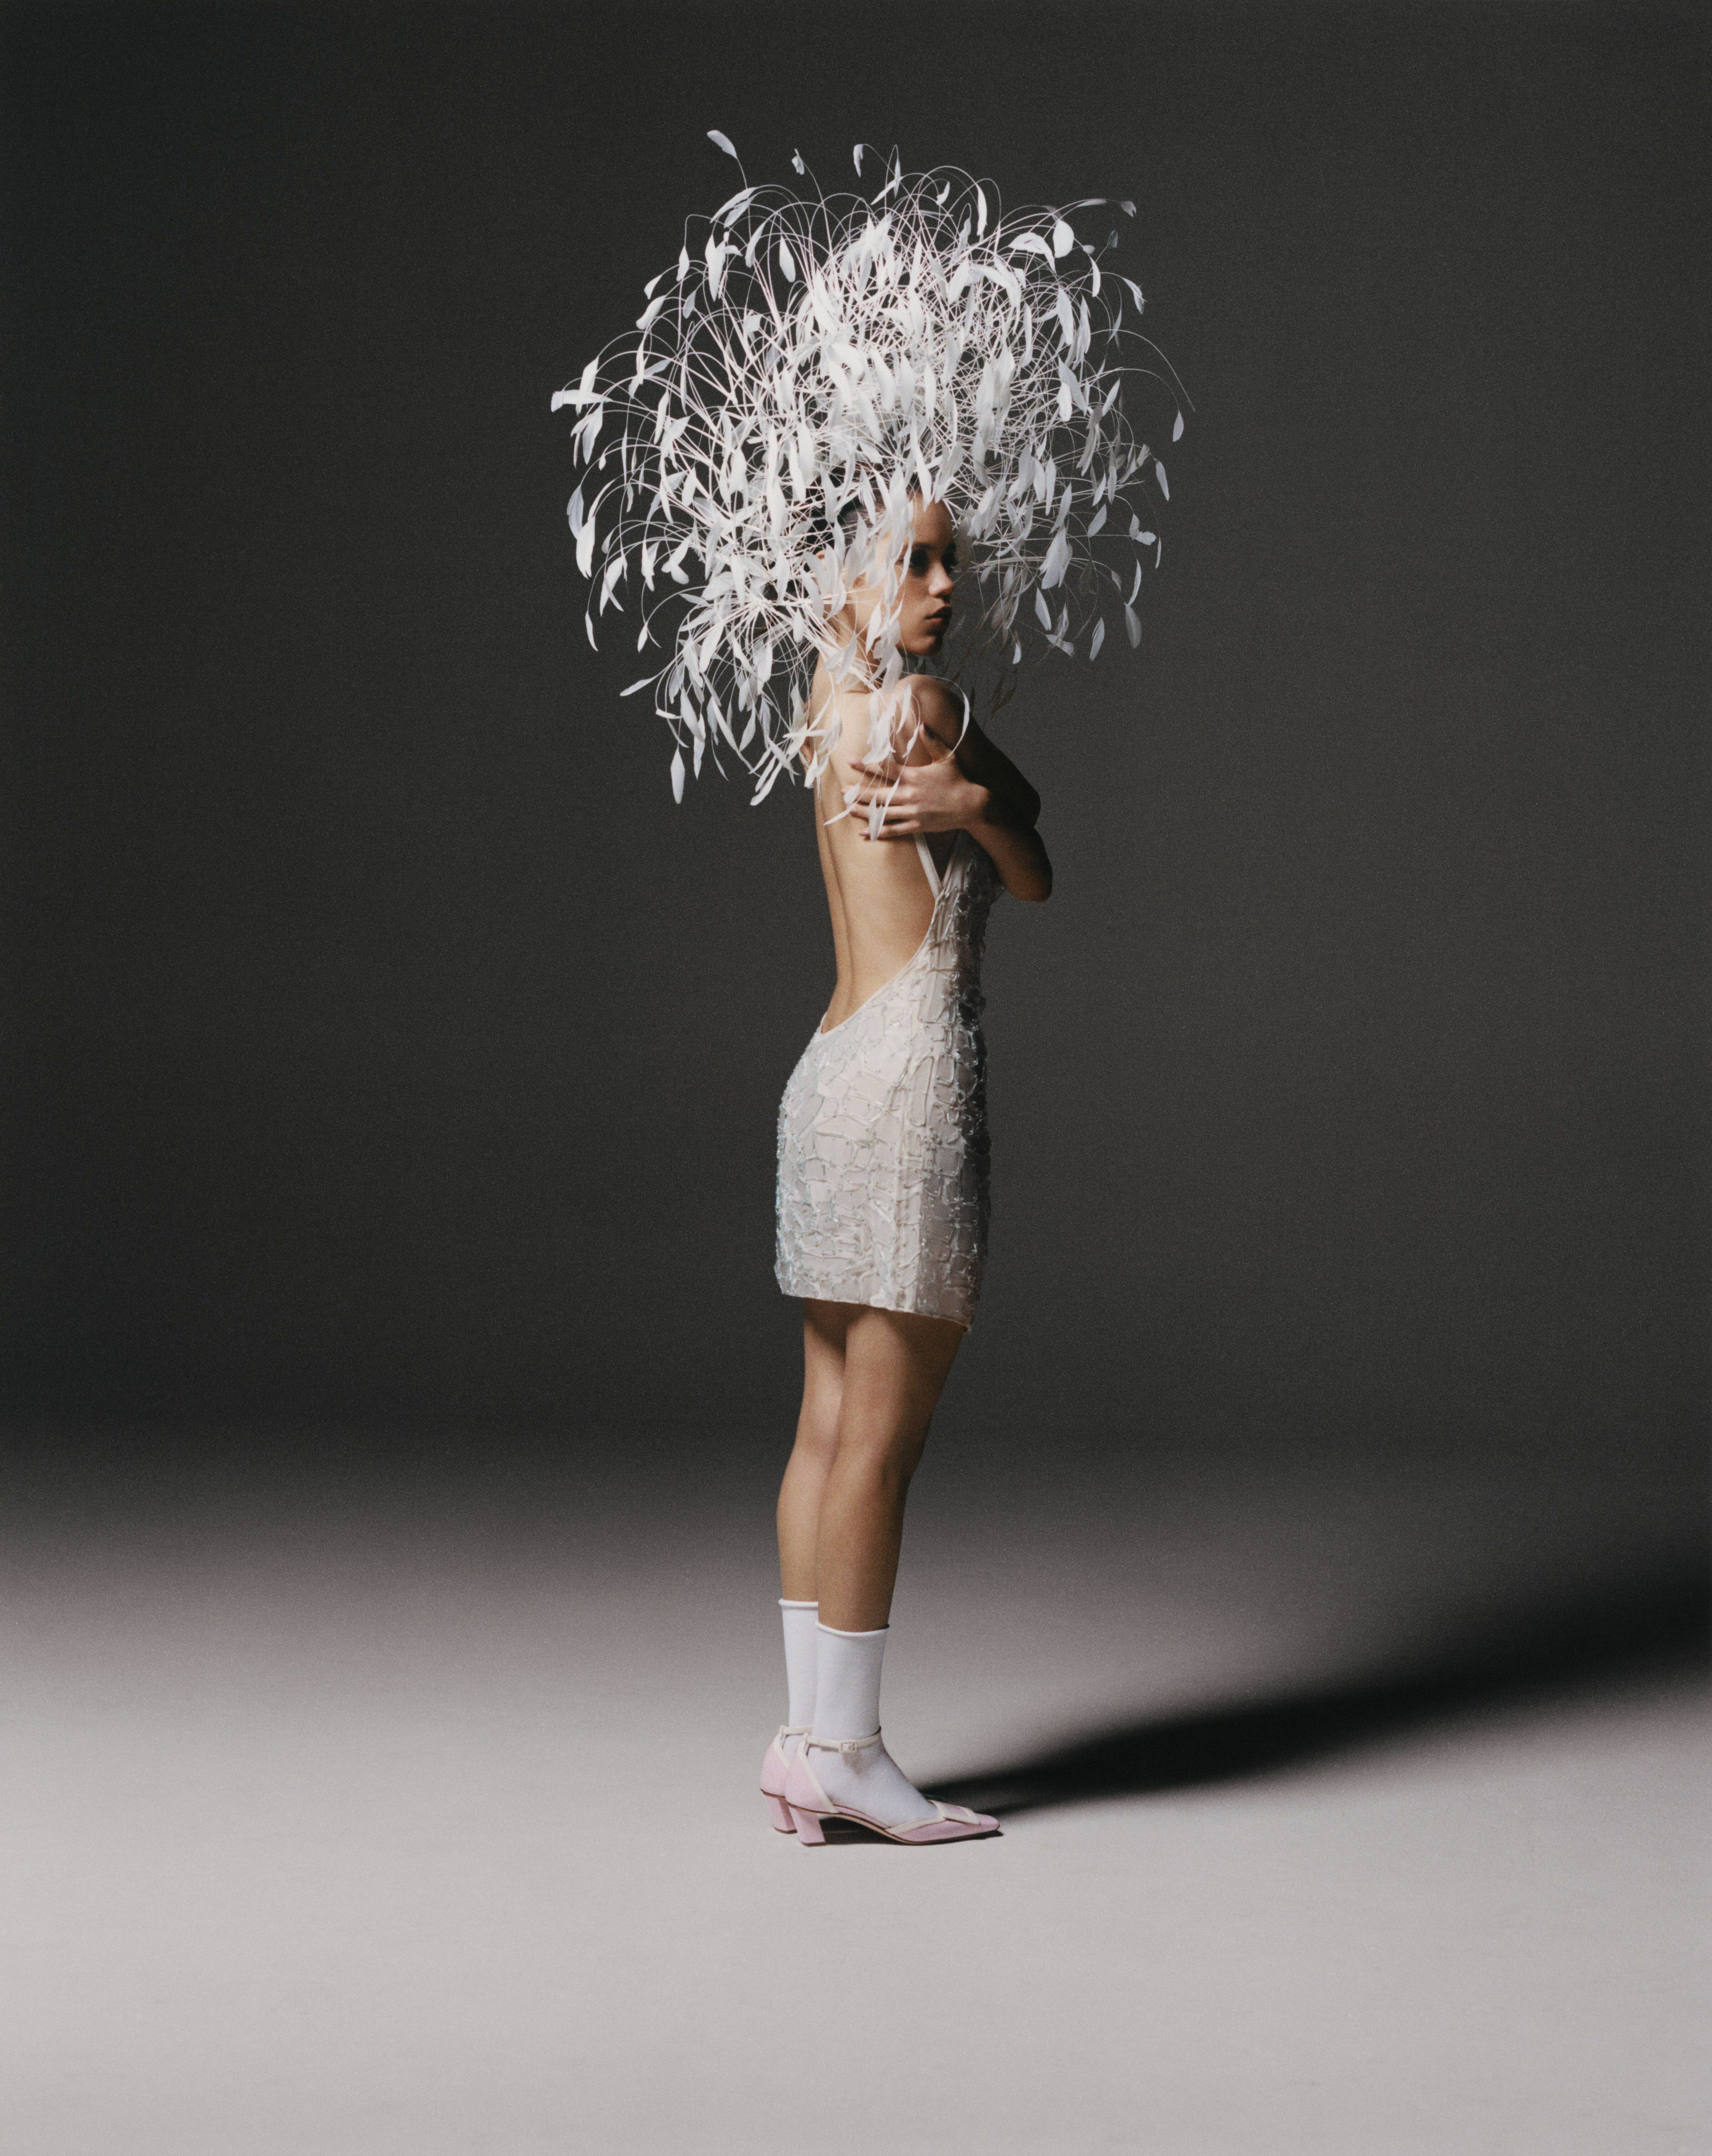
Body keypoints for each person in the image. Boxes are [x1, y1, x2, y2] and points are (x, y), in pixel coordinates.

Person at [764, 491, 1051, 1844]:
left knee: (826, 1423)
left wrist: (974, 800)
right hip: (911, 1080)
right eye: (913, 561)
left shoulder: (823, 704)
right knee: (881, 1440)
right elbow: (1036, 864)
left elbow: (1014, 808)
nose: (945, 587)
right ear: (844, 575)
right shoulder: (924, 706)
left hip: (827, 1074)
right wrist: (979, 801)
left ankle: (801, 1740)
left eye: (953, 562)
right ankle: (853, 1753)